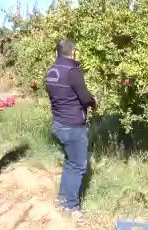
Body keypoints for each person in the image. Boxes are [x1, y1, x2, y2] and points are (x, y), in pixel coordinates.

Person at [45, 39, 96, 220]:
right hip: (73, 126)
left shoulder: (51, 71)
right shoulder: (73, 72)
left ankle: (62, 199)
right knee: (79, 165)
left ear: (58, 52)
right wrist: (94, 101)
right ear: (73, 52)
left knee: (70, 162)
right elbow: (85, 98)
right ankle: (72, 208)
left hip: (58, 123)